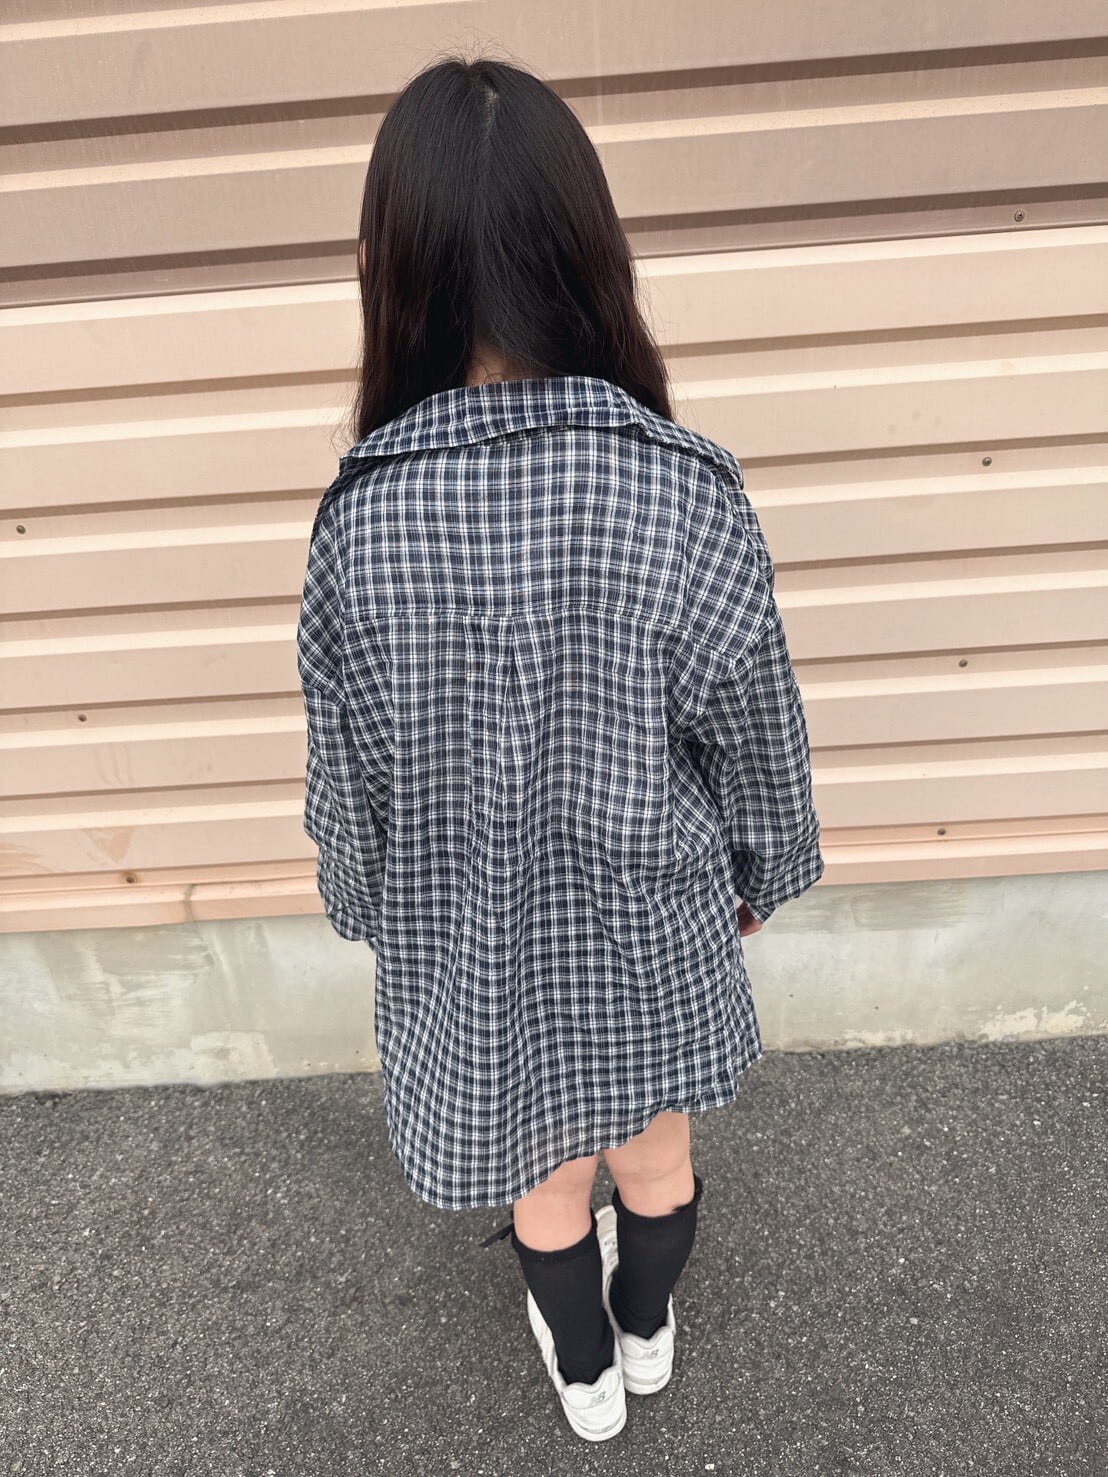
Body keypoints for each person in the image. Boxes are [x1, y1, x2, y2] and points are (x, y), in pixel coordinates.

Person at [296, 53, 825, 1442]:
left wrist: (366, 903)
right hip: (647, 924)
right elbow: (758, 726)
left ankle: (585, 1371)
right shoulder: (682, 487)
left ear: (395, 269)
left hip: (475, 947)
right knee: (655, 1160)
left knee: (544, 1183)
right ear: (590, 251)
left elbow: (346, 774)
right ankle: (646, 1332)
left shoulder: (363, 521)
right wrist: (763, 871)